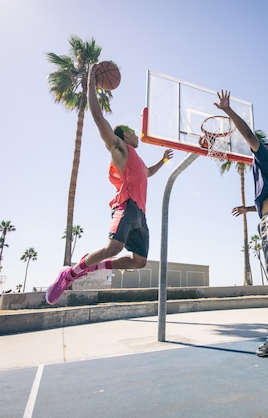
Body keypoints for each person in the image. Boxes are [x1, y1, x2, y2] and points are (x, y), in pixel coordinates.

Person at [46, 64, 173, 305]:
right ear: (124, 136)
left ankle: (93, 266)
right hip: (125, 207)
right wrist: (91, 85)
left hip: (140, 215)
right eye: (134, 132)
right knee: (114, 246)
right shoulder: (121, 150)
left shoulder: (137, 160)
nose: (138, 135)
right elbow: (97, 116)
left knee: (139, 262)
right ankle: (69, 274)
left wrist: (163, 161)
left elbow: (148, 173)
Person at [215, 90, 268, 357]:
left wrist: (228, 110)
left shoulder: (265, 157)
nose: (251, 157)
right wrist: (248, 208)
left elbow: (250, 136)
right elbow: (267, 199)